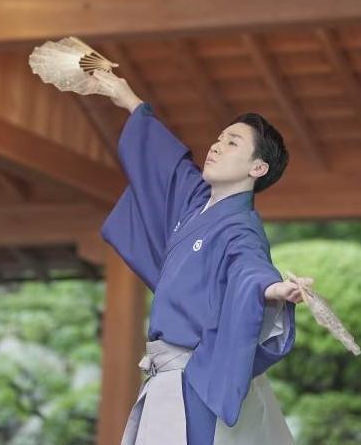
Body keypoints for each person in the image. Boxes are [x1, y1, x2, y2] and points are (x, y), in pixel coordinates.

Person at [92, 69, 312, 445]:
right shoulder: (195, 202)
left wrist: (272, 289)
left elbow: (249, 267)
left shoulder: (240, 227)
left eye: (232, 143)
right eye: (218, 138)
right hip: (166, 377)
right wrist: (127, 98)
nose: (216, 146)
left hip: (195, 379)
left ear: (257, 168)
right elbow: (168, 165)